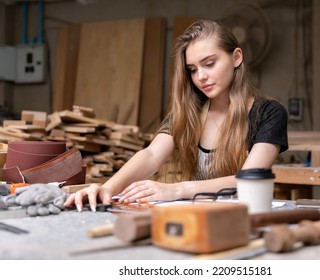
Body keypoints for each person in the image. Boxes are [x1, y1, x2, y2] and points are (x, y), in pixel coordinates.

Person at [64, 19, 288, 212]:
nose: (201, 76)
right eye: (192, 69)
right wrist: (107, 188)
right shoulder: (189, 113)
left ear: (236, 57)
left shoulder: (268, 113)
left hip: (245, 217)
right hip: (198, 216)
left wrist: (178, 189)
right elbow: (152, 155)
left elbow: (250, 179)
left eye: (209, 64)